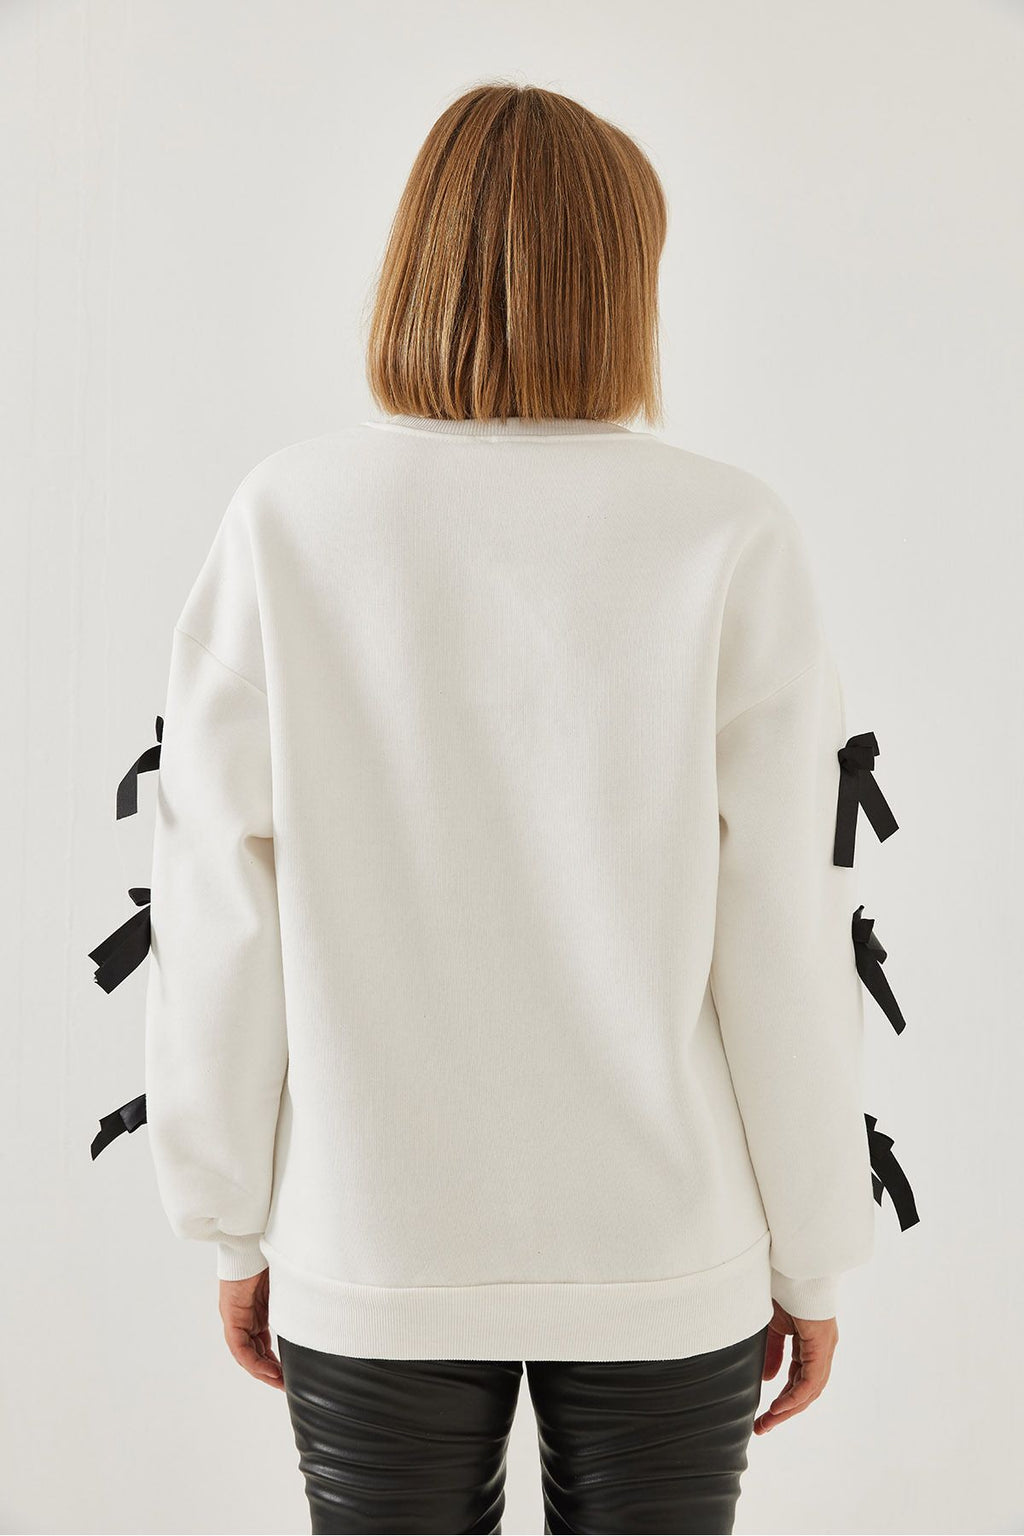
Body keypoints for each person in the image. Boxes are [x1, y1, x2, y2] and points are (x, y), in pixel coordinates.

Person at [133, 81, 890, 1535]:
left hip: (371, 1235)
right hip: (668, 1246)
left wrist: (229, 1217)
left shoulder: (288, 520)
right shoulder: (725, 532)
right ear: (625, 280)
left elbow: (216, 903)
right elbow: (788, 931)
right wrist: (811, 1252)